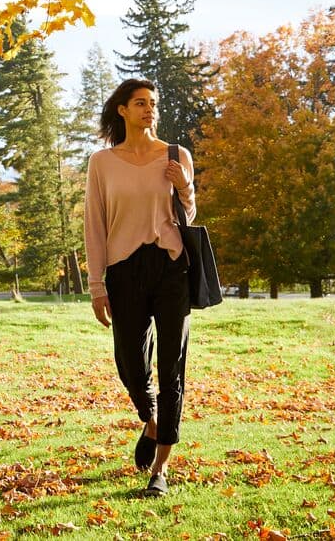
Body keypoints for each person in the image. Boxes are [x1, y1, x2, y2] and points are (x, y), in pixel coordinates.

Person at [84, 78, 196, 498]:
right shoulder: (102, 163)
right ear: (123, 111)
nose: (150, 109)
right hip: (124, 271)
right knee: (131, 362)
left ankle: (161, 469)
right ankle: (150, 420)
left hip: (170, 268)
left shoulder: (175, 155)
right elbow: (94, 225)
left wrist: (183, 184)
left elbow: (189, 211)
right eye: (140, 103)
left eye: (154, 103)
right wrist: (97, 285)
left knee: (172, 367)